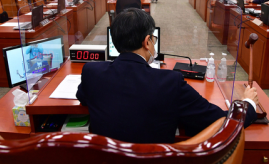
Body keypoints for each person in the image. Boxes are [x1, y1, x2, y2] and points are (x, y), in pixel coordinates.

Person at [76, 8, 258, 144]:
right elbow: (225, 123)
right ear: (147, 42)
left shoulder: (92, 72)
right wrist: (248, 103)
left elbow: (83, 97)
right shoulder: (170, 82)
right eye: (153, 40)